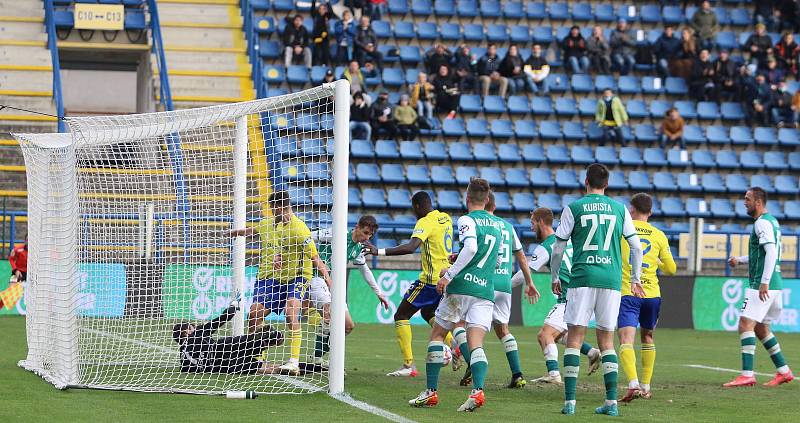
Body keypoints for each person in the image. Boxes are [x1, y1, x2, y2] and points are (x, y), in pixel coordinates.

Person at [551, 163, 644, 416]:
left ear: (585, 182)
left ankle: (570, 402)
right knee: (607, 342)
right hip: (611, 280)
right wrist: (635, 278)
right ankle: (611, 404)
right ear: (607, 184)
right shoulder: (620, 210)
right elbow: (637, 247)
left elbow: (558, 247)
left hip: (581, 278)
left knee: (574, 338)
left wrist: (555, 275)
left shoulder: (574, 207)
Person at [407, 178, 499, 412]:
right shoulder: (498, 225)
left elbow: (471, 248)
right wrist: (460, 258)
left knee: (437, 335)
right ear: (487, 199)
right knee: (475, 343)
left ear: (467, 198)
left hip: (461, 287)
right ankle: (477, 391)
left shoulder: (467, 220)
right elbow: (494, 258)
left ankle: (431, 392)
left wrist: (449, 273)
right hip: (485, 289)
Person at [228, 190, 331, 375]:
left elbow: (315, 257)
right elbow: (254, 231)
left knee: (291, 311)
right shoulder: (271, 224)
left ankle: (293, 362)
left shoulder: (299, 228)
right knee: (255, 313)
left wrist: (329, 279)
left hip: (297, 276)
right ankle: (257, 357)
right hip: (273, 278)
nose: (272, 212)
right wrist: (236, 232)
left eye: (274, 208)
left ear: (282, 207)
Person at [454, 192, 539, 389]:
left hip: (484, 282)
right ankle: (517, 374)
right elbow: (522, 258)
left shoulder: (481, 223)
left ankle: (471, 362)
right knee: (503, 330)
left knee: (460, 323)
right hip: (505, 284)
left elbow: (472, 252)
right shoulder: (508, 227)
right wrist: (529, 282)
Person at [364, 191, 454, 377]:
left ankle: (408, 365)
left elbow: (411, 247)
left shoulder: (425, 222)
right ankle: (455, 346)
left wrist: (378, 251)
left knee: (401, 315)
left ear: (417, 207)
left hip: (429, 281)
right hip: (446, 278)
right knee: (428, 312)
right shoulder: (445, 218)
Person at [517, 208, 602, 386]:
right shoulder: (568, 241)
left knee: (545, 335)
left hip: (569, 297)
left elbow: (525, 272)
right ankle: (592, 352)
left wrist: (502, 288)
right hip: (583, 292)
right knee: (559, 334)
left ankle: (554, 374)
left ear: (541, 222)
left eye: (532, 223)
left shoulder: (548, 246)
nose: (531, 228)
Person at [724, 187, 795, 388]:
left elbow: (771, 252)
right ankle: (784, 371)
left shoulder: (761, 223)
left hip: (764, 284)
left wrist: (763, 281)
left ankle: (747, 375)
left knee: (745, 324)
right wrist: (739, 260)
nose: (744, 202)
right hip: (776, 283)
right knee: (762, 328)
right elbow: (762, 254)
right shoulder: (771, 221)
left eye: (747, 199)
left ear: (758, 202)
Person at [617, 193, 677, 403]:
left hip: (629, 291)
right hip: (652, 294)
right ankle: (646, 386)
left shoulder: (622, 231)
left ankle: (632, 382)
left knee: (626, 339)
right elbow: (671, 269)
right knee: (648, 337)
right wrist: (657, 263)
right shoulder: (659, 235)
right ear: (650, 212)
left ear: (631, 209)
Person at [307, 215, 389, 365]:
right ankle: (320, 360)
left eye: (370, 235)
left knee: (348, 326)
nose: (367, 237)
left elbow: (365, 271)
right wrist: (315, 260)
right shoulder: (336, 233)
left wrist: (379, 293)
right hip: (317, 279)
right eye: (365, 232)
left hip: (335, 286)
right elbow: (307, 237)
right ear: (357, 227)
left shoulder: (358, 249)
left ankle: (317, 356)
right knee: (329, 311)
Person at [172, 300, 284, 374]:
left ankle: (294, 368)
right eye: (192, 326)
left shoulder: (182, 357)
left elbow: (187, 369)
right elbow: (223, 318)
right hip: (220, 349)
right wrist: (233, 306)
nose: (195, 327)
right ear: (186, 332)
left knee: (259, 367)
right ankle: (270, 339)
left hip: (220, 368)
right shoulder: (197, 333)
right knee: (239, 343)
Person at [311, 0, 334, 66]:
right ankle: (314, 66)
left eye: (323, 9)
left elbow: (331, 12)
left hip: (325, 38)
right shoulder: (315, 16)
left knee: (325, 53)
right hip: (317, 37)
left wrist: (328, 2)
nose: (321, 10)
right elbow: (312, 9)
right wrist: (314, 1)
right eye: (320, 9)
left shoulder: (327, 16)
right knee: (316, 53)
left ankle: (325, 65)